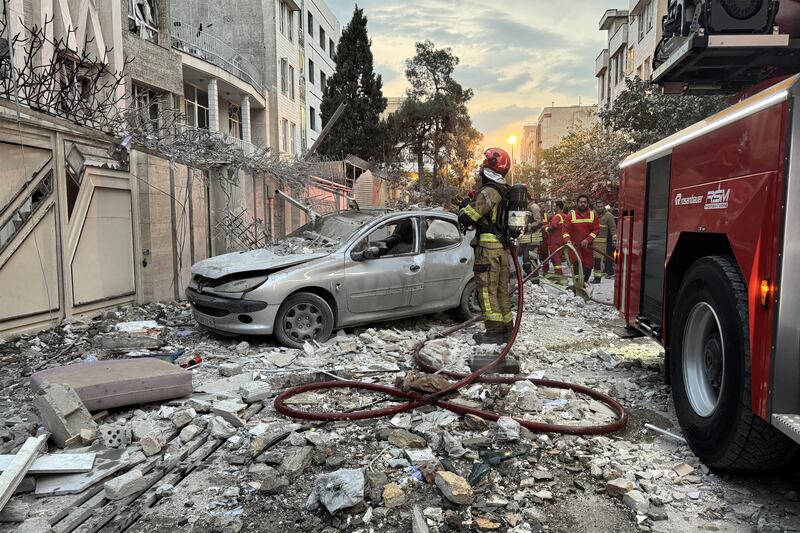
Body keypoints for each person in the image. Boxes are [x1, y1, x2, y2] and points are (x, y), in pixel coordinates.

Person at [458, 147, 513, 345]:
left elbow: (469, 216)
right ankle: (507, 330)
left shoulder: (490, 191)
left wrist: (463, 208)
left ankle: (493, 332)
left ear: (490, 167)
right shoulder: (505, 190)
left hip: (488, 251)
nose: (481, 167)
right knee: (501, 292)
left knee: (487, 292)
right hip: (501, 249)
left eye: (484, 163)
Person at [563, 194, 600, 284]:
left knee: (588, 268)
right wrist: (567, 240)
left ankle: (584, 284)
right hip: (575, 247)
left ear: (587, 204)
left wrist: (588, 240)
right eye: (580, 202)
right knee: (577, 265)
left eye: (584, 202)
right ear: (577, 203)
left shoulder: (593, 215)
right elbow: (565, 231)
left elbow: (596, 230)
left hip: (588, 247)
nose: (582, 204)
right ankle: (578, 287)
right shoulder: (571, 216)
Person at [519, 193, 544, 284]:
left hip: (533, 239)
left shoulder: (534, 207)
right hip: (526, 239)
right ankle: (532, 279)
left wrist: (527, 226)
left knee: (531, 261)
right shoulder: (527, 207)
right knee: (526, 261)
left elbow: (539, 222)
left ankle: (535, 282)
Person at [592, 201, 617, 284]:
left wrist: (614, 240)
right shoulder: (592, 214)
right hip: (590, 241)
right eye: (598, 206)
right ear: (595, 207)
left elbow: (613, 229)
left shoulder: (609, 216)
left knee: (598, 260)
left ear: (604, 207)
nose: (599, 208)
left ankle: (597, 277)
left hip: (601, 242)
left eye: (601, 206)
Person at [546, 201, 567, 275]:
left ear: (558, 207)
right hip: (561, 240)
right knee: (558, 258)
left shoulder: (557, 216)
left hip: (554, 241)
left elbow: (553, 227)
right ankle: (558, 273)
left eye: (555, 206)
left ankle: (558, 274)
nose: (554, 208)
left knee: (556, 258)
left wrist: (546, 228)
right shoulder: (564, 215)